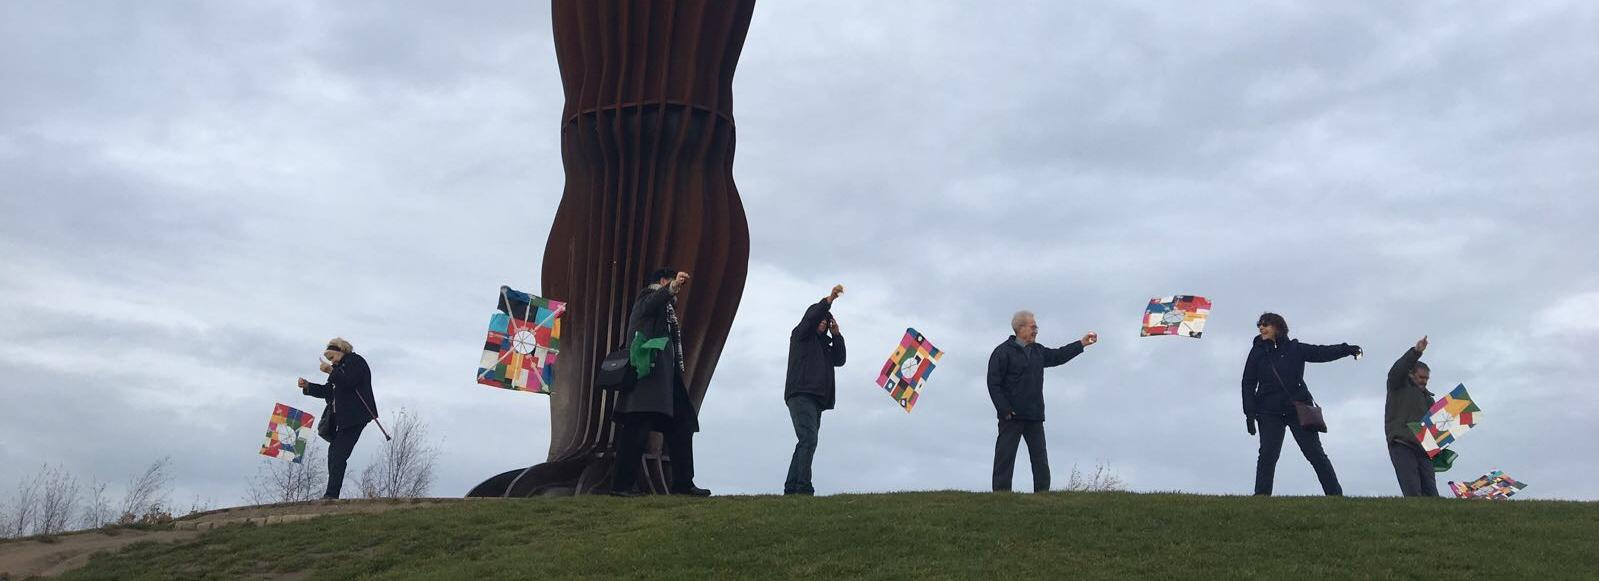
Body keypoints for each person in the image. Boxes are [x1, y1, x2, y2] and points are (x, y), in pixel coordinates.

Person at [610, 268, 711, 497]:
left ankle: (684, 483)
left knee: (682, 426)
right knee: (636, 431)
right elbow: (653, 302)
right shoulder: (647, 297)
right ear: (663, 281)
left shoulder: (666, 309)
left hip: (666, 381)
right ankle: (621, 486)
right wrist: (673, 286)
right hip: (647, 379)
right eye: (671, 281)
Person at [1241, 313, 1361, 496]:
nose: (1261, 328)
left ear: (1278, 327)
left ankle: (1335, 495)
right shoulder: (1257, 352)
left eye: (1266, 325)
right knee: (1267, 455)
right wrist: (1249, 413)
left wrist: (1347, 349)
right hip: (1268, 411)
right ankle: (1261, 496)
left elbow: (1322, 352)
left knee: (1315, 454)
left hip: (1297, 409)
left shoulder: (1295, 348)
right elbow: (1248, 382)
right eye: (1260, 325)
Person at [986, 310, 1098, 492]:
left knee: (1040, 459)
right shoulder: (1002, 352)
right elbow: (993, 384)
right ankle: (1001, 495)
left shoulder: (1038, 351)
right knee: (1004, 457)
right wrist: (1005, 410)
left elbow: (1058, 355)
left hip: (1034, 415)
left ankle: (1043, 495)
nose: (1036, 330)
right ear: (1020, 328)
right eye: (1033, 327)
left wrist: (1081, 344)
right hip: (1011, 417)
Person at [783, 284, 848, 496]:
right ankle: (803, 487)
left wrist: (837, 335)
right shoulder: (801, 335)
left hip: (817, 399)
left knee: (806, 441)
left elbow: (840, 360)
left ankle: (792, 486)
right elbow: (811, 317)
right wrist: (828, 300)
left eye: (827, 320)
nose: (823, 321)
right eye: (822, 319)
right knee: (809, 440)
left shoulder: (825, 345)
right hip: (801, 394)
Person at [297, 337, 378, 500]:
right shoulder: (338, 369)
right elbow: (328, 391)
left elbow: (349, 382)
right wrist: (308, 386)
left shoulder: (356, 361)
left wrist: (330, 371)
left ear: (341, 351)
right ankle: (331, 494)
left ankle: (331, 495)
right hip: (344, 419)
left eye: (332, 358)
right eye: (329, 360)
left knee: (337, 454)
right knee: (335, 453)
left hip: (355, 416)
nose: (331, 362)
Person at [1386, 335, 1437, 497]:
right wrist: (1416, 352)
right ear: (1410, 374)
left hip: (1424, 450)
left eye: (1427, 378)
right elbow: (1397, 370)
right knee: (1413, 493)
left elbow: (1436, 427)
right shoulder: (1397, 386)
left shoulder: (1429, 399)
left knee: (1432, 494)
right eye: (1421, 377)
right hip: (1402, 444)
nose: (1425, 382)